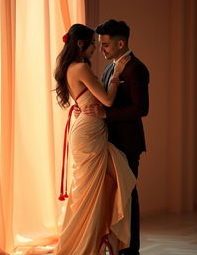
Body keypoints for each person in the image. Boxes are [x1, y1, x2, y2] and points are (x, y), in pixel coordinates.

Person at [53, 23, 136, 255]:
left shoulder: (70, 67)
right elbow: (108, 102)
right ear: (81, 44)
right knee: (90, 192)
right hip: (89, 131)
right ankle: (86, 245)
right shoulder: (81, 67)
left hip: (84, 127)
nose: (96, 49)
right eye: (92, 45)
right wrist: (116, 76)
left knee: (93, 189)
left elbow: (85, 98)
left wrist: (85, 105)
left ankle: (100, 240)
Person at [81, 20, 150, 255]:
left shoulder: (136, 68)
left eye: (106, 45)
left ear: (121, 43)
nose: (102, 49)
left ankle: (131, 251)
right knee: (113, 198)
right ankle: (117, 246)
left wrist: (106, 113)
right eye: (100, 45)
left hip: (128, 143)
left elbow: (141, 108)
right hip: (109, 143)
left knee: (128, 197)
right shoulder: (110, 67)